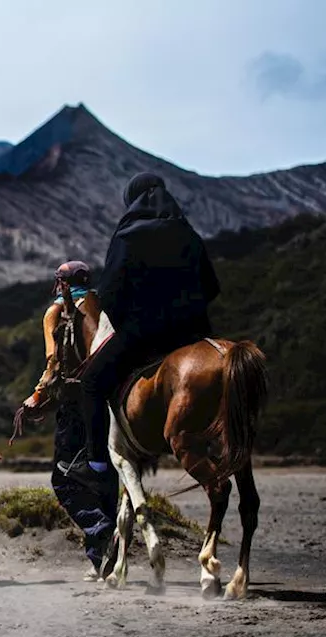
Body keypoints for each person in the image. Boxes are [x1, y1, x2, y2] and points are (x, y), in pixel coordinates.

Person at [59, 172, 221, 488]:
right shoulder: (187, 233)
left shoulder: (129, 234)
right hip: (192, 333)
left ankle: (94, 464)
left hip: (144, 335)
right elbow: (212, 286)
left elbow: (111, 293)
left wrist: (131, 323)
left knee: (91, 383)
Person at [22, 261, 120, 579]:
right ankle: (101, 560)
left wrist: (36, 398)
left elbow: (53, 365)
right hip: (108, 405)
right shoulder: (103, 308)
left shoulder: (58, 313)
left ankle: (101, 530)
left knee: (63, 479)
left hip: (74, 407)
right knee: (104, 477)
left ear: (62, 284)